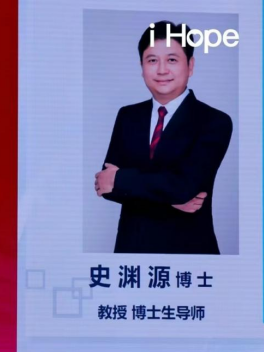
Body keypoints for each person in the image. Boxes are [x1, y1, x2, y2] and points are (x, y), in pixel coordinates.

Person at [95, 21, 233, 254]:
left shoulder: (214, 121)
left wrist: (122, 180)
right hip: (131, 253)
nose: (161, 70)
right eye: (152, 60)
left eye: (171, 60)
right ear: (141, 67)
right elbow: (105, 186)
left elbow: (184, 187)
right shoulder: (128, 116)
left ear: (190, 65)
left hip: (190, 254)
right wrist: (170, 198)